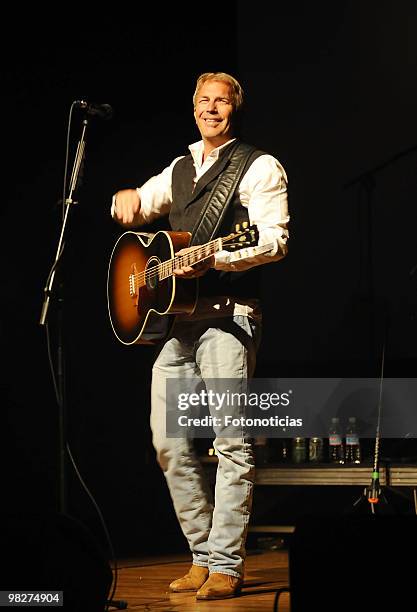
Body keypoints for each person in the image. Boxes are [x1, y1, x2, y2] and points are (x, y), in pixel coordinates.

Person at [112, 71, 289, 600]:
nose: (212, 110)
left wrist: (220, 255)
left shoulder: (258, 165)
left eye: (222, 102)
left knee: (231, 444)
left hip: (229, 315)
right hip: (177, 321)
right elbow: (141, 205)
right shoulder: (182, 167)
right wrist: (126, 199)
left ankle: (227, 564)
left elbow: (276, 240)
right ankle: (201, 555)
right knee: (168, 444)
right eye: (204, 102)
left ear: (236, 109)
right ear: (193, 109)